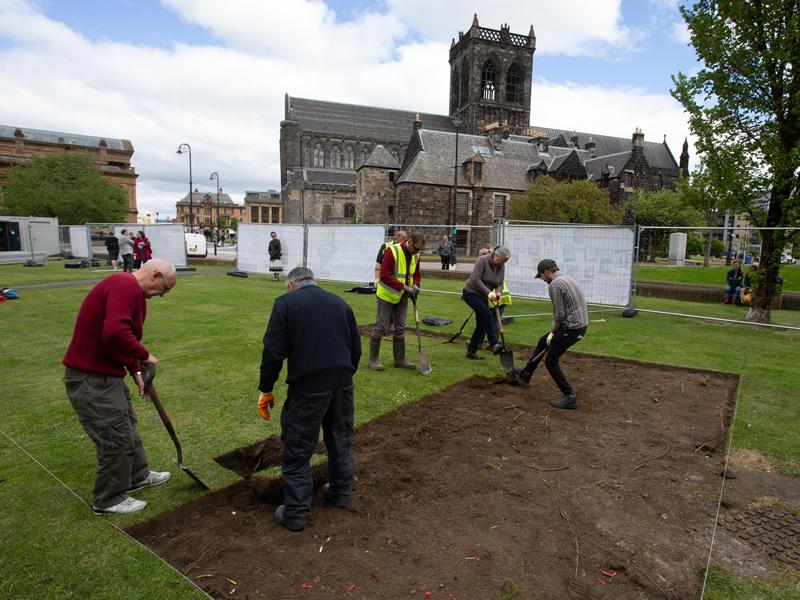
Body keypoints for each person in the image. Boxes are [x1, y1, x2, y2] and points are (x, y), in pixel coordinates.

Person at [62, 259, 177, 515]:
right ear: (155, 275)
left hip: (107, 377)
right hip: (90, 379)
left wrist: (135, 370)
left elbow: (123, 339)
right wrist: (144, 355)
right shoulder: (123, 285)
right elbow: (114, 332)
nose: (162, 296)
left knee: (127, 427)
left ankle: (137, 476)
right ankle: (108, 499)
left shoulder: (134, 293)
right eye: (164, 289)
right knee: (115, 437)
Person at [258, 267, 361, 532]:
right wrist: (343, 377)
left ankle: (295, 513)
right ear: (312, 281)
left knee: (297, 448)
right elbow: (355, 349)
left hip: (308, 389)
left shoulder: (286, 303)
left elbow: (273, 350)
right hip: (342, 385)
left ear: (291, 284)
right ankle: (340, 492)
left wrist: (266, 388)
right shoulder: (340, 303)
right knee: (340, 439)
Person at [513, 259, 588, 410]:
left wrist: (553, 332)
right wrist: (551, 334)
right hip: (577, 325)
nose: (543, 280)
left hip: (572, 327)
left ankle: (569, 396)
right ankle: (527, 372)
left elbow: (559, 315)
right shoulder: (567, 278)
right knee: (543, 341)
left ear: (547, 272)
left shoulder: (555, 284)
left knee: (551, 361)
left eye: (541, 276)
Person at [369, 231, 425, 371]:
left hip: (403, 296)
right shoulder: (391, 252)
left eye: (420, 250)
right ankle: (373, 360)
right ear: (410, 242)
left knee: (400, 327)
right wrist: (405, 287)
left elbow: (416, 273)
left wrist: (416, 285)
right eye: (416, 248)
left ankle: (399, 360)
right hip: (387, 295)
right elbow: (385, 276)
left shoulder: (416, 254)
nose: (417, 252)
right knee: (381, 326)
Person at [462, 245, 511, 359]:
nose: (502, 264)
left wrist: (498, 293)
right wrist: (489, 293)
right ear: (496, 255)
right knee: (487, 314)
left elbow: (500, 283)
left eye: (505, 262)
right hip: (471, 293)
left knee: (482, 325)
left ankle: (471, 352)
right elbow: (475, 279)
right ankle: (493, 343)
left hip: (483, 297)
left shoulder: (502, 266)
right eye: (502, 261)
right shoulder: (482, 260)